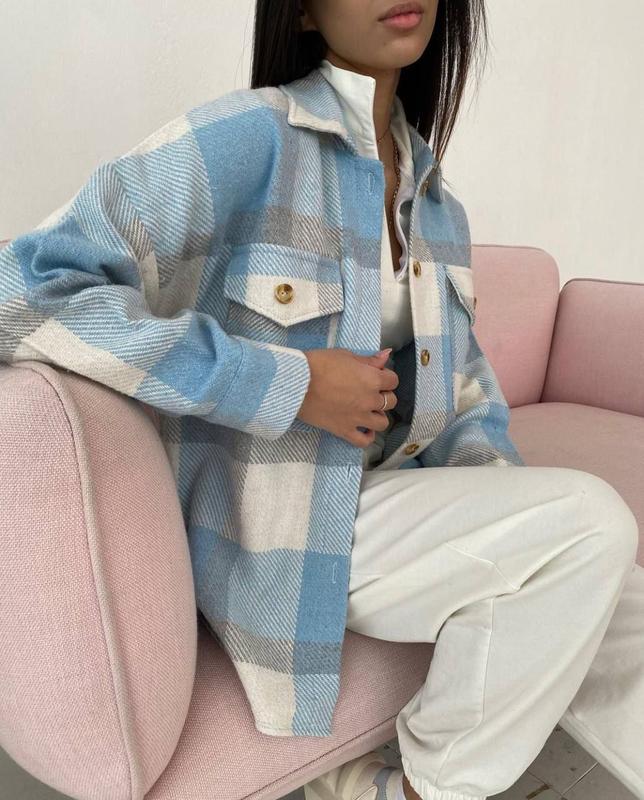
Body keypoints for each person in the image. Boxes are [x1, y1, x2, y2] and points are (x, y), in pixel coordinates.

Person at [0, 2, 642, 800]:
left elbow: (467, 399)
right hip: (285, 522)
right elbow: (21, 290)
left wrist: (504, 513)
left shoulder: (439, 204)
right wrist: (289, 384)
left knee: (620, 590)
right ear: (303, 9)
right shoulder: (249, 139)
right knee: (591, 524)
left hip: (395, 507)